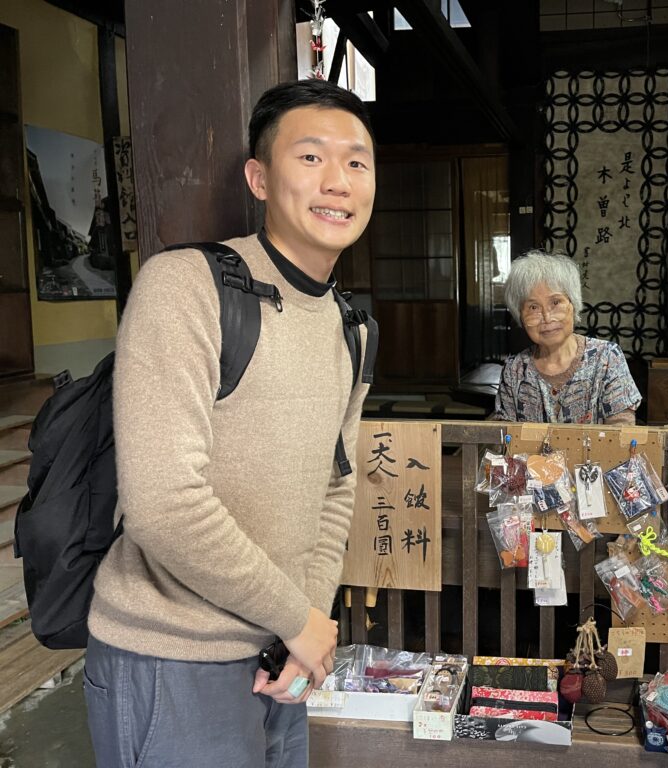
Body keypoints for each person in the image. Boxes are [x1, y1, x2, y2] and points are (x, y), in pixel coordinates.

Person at [83, 79, 375, 767]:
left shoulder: (352, 328)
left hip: (281, 658)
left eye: (357, 162)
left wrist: (305, 627)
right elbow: (162, 505)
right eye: (310, 157)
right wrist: (298, 619)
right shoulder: (186, 287)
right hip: (171, 660)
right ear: (259, 178)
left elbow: (336, 487)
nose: (338, 181)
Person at [494, 249, 642, 424]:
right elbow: (504, 434)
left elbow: (622, 430)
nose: (547, 318)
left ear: (574, 304)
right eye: (533, 307)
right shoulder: (515, 369)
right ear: (520, 316)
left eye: (556, 302)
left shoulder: (607, 357)